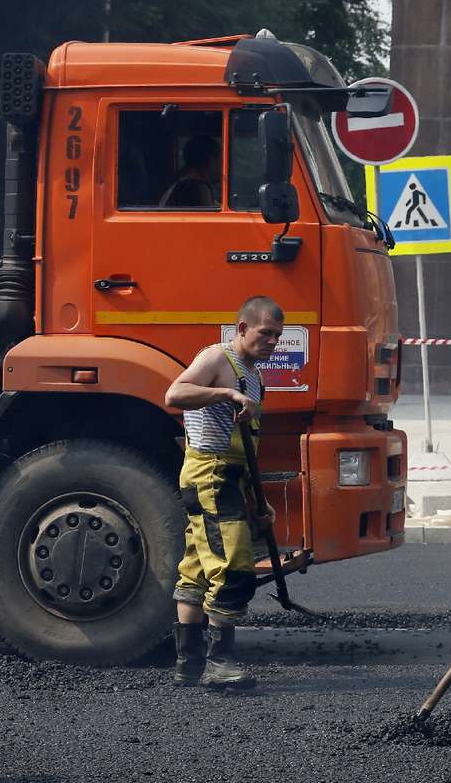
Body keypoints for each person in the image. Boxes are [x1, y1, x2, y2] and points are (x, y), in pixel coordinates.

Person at [165, 296, 283, 688]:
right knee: (232, 564)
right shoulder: (218, 359)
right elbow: (175, 395)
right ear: (243, 328)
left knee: (198, 566)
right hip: (209, 472)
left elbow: (248, 442)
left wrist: (259, 501)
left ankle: (189, 664)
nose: (272, 342)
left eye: (277, 337)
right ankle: (220, 663)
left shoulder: (255, 376)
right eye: (266, 333)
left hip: (232, 476)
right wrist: (225, 395)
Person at [159, 134, 220, 208]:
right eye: (220, 159)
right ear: (209, 160)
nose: (223, 166)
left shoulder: (179, 182)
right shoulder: (197, 186)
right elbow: (209, 218)